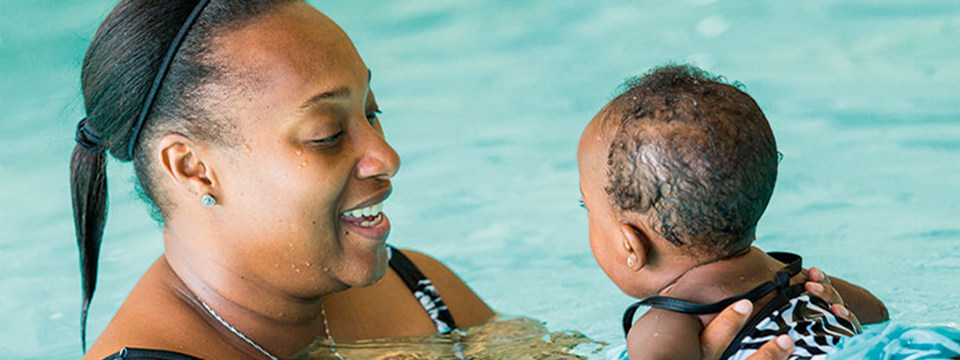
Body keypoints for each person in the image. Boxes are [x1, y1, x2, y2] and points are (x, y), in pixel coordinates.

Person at [70, 1, 862, 359]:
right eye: (326, 132)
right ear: (190, 165)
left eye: (374, 110)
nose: (385, 156)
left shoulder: (415, 283)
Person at [577, 65, 889, 360]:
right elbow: (877, 314)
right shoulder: (804, 283)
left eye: (586, 207)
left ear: (631, 244)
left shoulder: (666, 326)